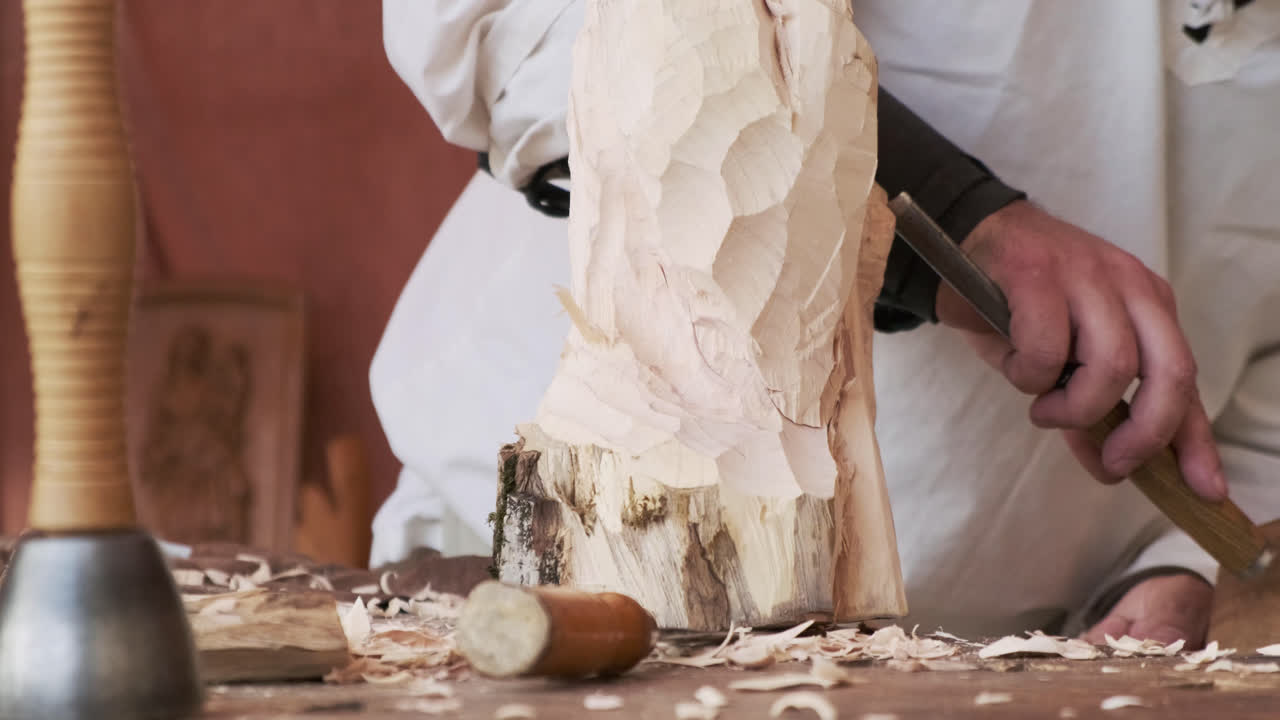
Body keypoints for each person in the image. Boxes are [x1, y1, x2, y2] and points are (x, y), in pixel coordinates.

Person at [372, 0, 1280, 647]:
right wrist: (959, 223)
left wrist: (1178, 567)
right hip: (564, 582)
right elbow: (523, 28)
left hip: (1028, 656)